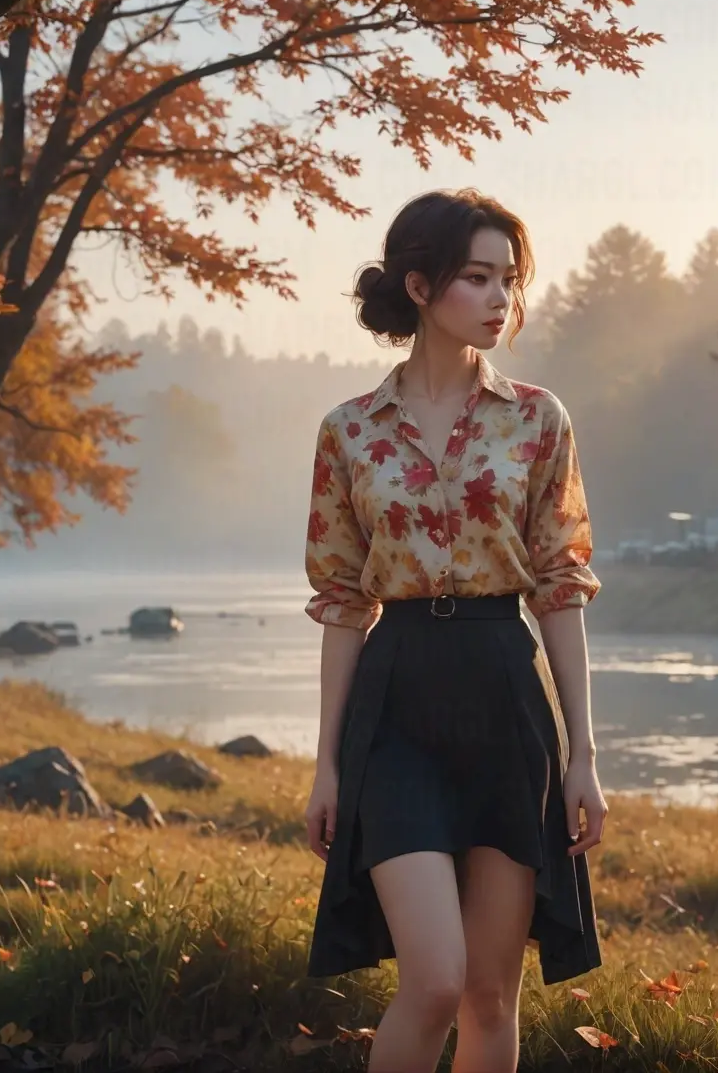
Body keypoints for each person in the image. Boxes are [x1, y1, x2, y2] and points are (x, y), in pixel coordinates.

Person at [302, 187, 607, 1073]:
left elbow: (560, 589)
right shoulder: (350, 431)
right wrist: (325, 762)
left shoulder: (537, 419)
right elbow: (342, 603)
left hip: (504, 692)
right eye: (478, 278)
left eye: (509, 280)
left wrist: (584, 752)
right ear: (422, 285)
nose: (500, 298)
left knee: (486, 994)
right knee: (433, 981)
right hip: (394, 710)